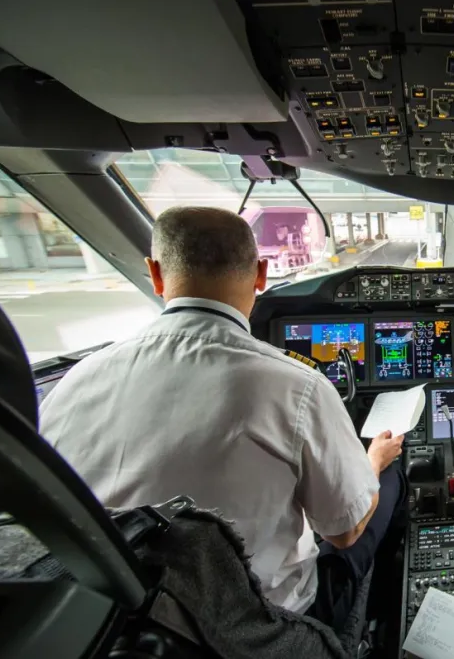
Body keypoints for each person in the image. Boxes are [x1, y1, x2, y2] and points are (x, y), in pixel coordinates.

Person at [40, 206, 406, 630]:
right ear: (261, 274)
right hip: (262, 627)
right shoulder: (297, 386)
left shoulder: (73, 382)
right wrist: (374, 462)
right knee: (387, 484)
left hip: (116, 628)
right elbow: (344, 532)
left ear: (155, 275)